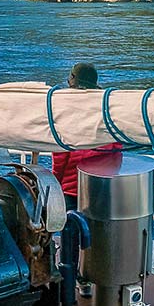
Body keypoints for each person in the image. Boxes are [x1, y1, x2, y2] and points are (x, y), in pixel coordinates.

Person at [50, 62, 124, 213]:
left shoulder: (67, 114)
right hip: (103, 187)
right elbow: (117, 149)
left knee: (73, 231)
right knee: (100, 231)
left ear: (72, 79)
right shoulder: (108, 110)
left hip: (72, 189)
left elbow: (60, 156)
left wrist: (55, 182)